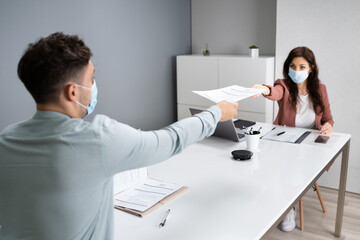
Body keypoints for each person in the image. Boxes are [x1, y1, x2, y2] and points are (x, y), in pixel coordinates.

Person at [0, 32, 238, 240]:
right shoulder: (98, 139)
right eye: (91, 79)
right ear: (73, 91)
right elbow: (170, 140)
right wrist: (215, 113)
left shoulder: (6, 140)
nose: (94, 85)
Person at [252, 46, 334, 231]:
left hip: (309, 144)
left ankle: (288, 204)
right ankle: (286, 206)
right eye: (292, 66)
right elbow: (275, 92)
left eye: (302, 67)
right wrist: (264, 89)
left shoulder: (320, 90)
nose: (296, 71)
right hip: (284, 141)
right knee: (279, 164)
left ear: (311, 68)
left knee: (296, 166)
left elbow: (328, 119)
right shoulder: (284, 85)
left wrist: (327, 126)